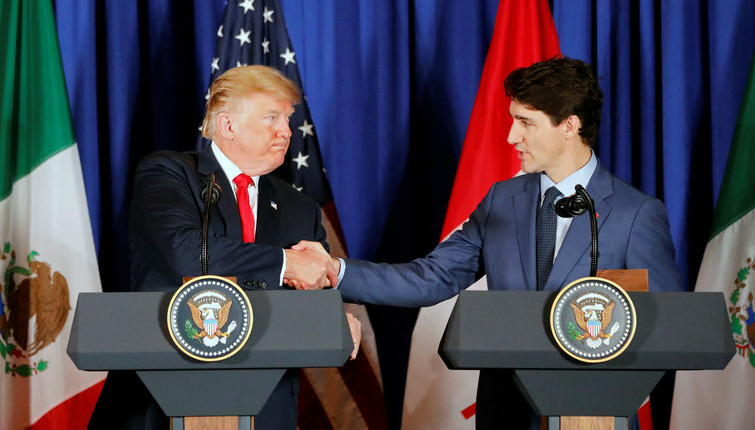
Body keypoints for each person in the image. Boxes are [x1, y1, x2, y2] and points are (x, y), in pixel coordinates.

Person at [309, 57, 682, 429]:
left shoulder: (636, 214)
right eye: (513, 120)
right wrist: (334, 270)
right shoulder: (502, 200)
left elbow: (666, 327)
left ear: (570, 125)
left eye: (526, 122)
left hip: (595, 412)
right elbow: (431, 277)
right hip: (506, 412)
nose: (511, 137)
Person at [90, 65, 358, 430]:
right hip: (162, 398)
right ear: (228, 125)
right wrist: (285, 263)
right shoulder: (169, 173)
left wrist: (331, 317)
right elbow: (182, 250)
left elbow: (312, 286)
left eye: (288, 119)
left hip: (267, 406)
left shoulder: (300, 209)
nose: (285, 131)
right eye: (271, 117)